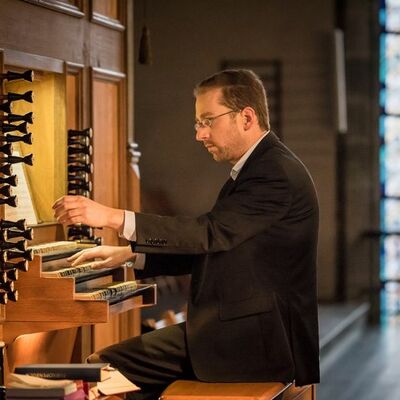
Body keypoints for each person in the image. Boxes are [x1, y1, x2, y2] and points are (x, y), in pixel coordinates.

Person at [53, 69, 320, 400]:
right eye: (198, 123)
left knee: (103, 367)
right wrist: (131, 255)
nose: (200, 134)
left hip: (254, 342)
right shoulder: (261, 167)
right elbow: (218, 245)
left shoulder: (273, 174)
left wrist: (112, 217)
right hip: (250, 332)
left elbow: (208, 233)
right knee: (123, 373)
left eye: (208, 121)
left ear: (246, 117)